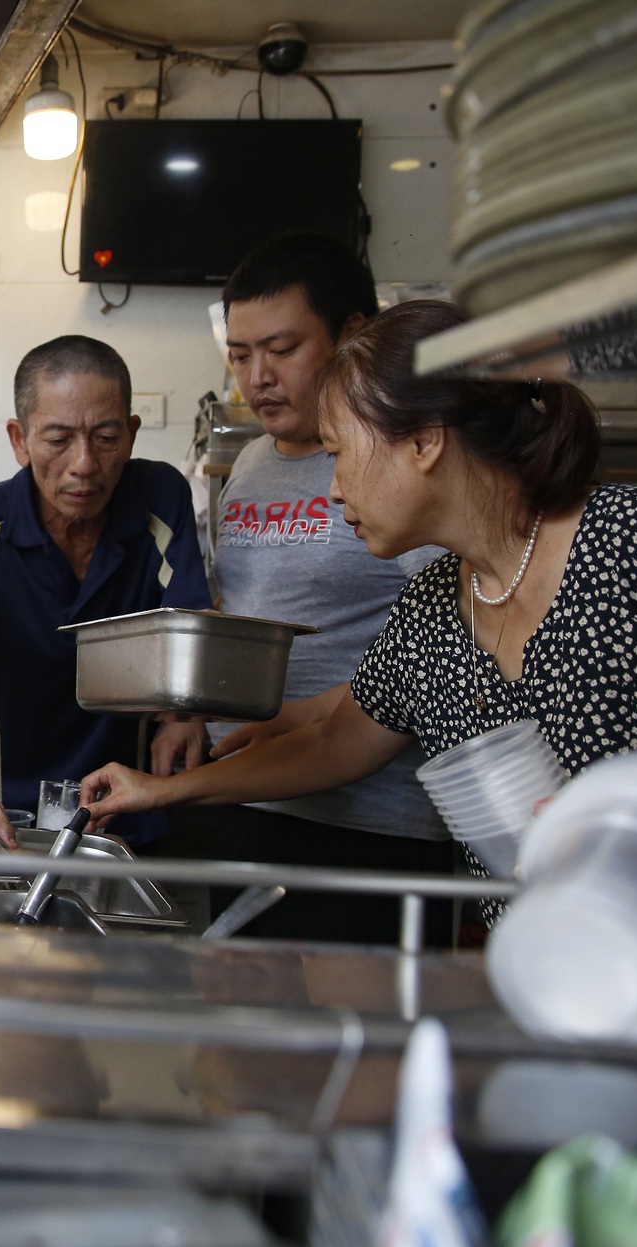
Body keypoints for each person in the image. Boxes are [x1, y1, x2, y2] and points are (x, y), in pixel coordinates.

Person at [83, 301, 637, 870]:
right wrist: (162, 791)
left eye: (340, 454)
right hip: (577, 977)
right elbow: (333, 747)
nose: (334, 486)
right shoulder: (435, 609)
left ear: (423, 442)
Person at [157, 234, 453, 945]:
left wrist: (306, 717)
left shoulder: (403, 469)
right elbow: (244, 611)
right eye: (239, 354)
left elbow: (445, 644)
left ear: (353, 336)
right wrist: (192, 707)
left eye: (281, 350)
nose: (256, 377)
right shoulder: (252, 463)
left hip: (373, 821)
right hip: (250, 797)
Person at [0, 335, 211, 847]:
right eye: (57, 439)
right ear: (19, 440)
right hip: (2, 815)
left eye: (105, 437)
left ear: (132, 434)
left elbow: (190, 628)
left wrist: (184, 715)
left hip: (128, 813)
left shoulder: (160, 501)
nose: (84, 465)